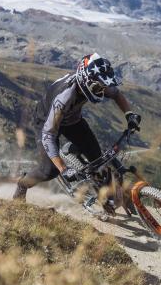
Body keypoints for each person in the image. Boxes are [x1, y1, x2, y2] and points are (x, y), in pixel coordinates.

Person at [13, 53, 141, 202]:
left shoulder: (95, 80)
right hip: (45, 122)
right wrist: (63, 169)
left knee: (96, 157)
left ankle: (104, 194)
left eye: (103, 87)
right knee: (49, 170)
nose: (101, 91)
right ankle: (23, 184)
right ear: (85, 80)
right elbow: (48, 135)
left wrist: (129, 115)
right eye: (98, 87)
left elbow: (116, 94)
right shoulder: (64, 98)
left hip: (72, 119)